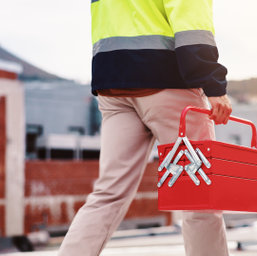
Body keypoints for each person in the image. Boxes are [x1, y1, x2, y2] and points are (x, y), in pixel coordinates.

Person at [58, 0, 232, 255]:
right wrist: (213, 84)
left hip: (114, 85)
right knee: (199, 196)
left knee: (108, 194)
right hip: (168, 85)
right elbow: (191, 24)